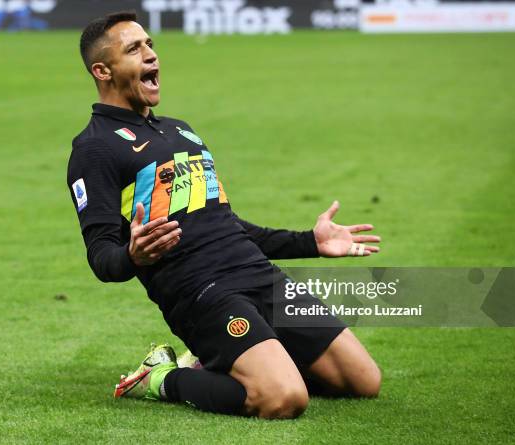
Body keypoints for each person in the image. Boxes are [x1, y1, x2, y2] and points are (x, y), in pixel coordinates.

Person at [67, 11, 382, 419]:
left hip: (254, 270)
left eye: (150, 45)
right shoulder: (95, 148)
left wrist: (310, 242)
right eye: (134, 49)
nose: (150, 55)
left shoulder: (180, 131)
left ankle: (238, 358)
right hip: (201, 290)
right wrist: (133, 255)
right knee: (283, 398)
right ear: (102, 70)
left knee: (363, 381)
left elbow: (226, 225)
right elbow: (102, 257)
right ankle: (160, 377)